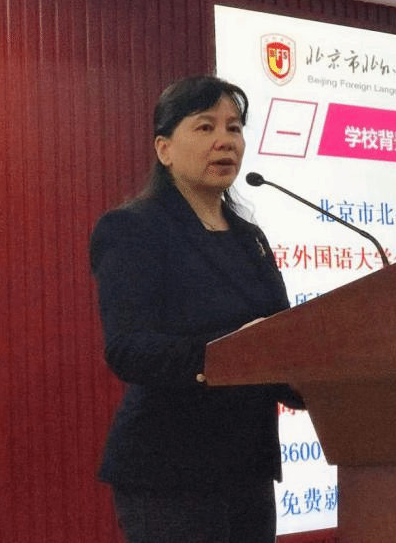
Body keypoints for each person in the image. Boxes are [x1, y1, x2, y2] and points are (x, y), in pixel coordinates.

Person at [89, 75, 303, 542]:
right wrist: (228, 354)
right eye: (206, 127)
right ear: (164, 149)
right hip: (169, 473)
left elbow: (279, 340)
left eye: (234, 128)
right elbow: (129, 349)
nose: (225, 141)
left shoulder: (249, 240)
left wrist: (320, 381)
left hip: (247, 469)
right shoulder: (132, 229)